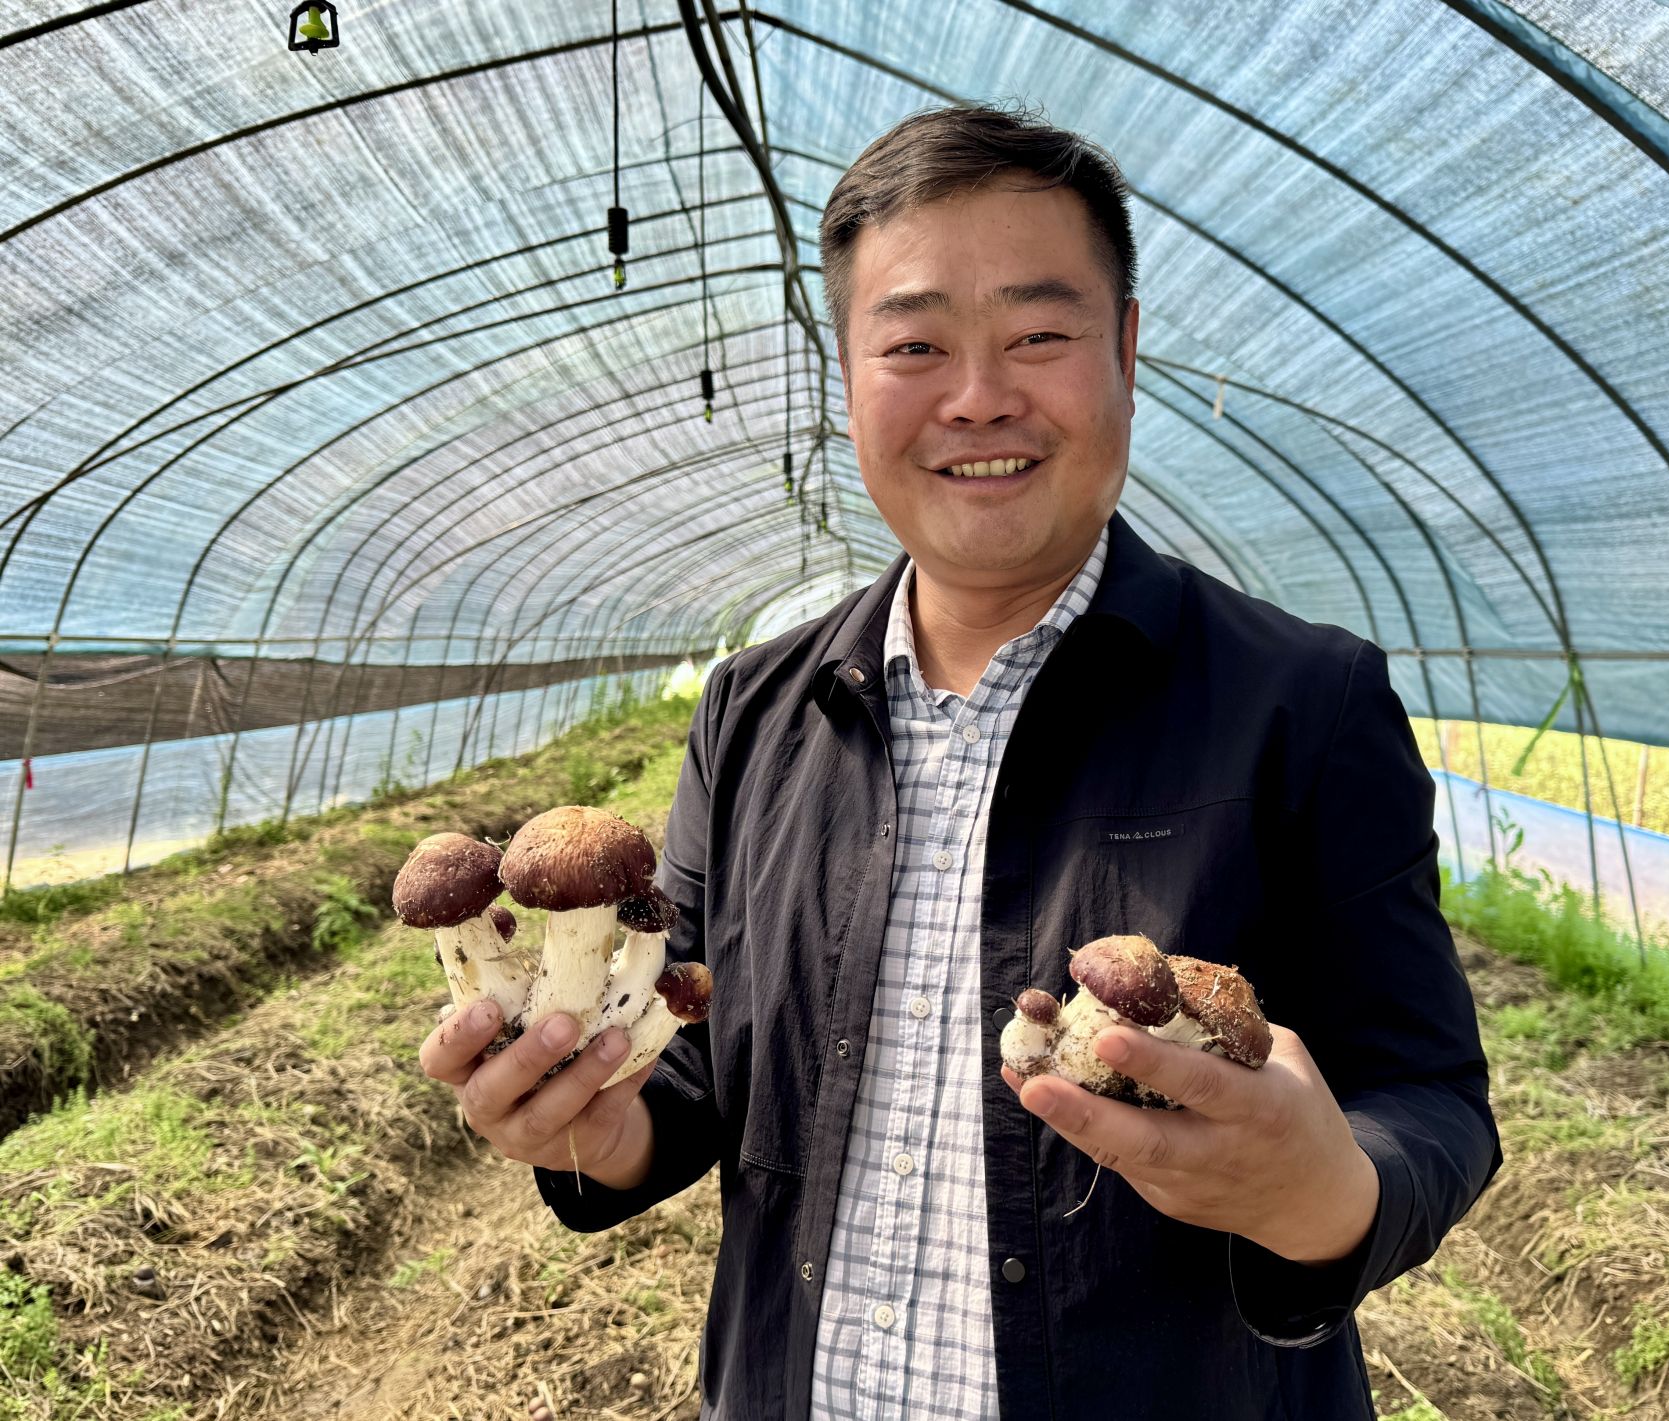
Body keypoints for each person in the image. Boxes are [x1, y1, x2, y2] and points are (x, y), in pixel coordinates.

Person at [420, 100, 1500, 1420]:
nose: (979, 396)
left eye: (1038, 336)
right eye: (915, 345)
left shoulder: (1303, 702)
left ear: (1126, 350)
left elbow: (1430, 1098)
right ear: (849, 376)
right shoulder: (753, 711)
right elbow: (689, 1064)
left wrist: (1324, 1194)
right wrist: (594, 1121)